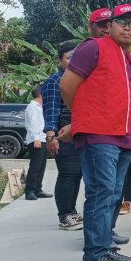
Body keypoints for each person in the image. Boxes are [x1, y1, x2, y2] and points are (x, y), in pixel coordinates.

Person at [60, 3, 131, 261]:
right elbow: (67, 86)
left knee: (113, 194)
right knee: (101, 192)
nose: (128, 27)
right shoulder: (93, 47)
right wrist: (81, 119)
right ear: (111, 25)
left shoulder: (126, 56)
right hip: (99, 134)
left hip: (124, 137)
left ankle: (104, 247)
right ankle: (94, 257)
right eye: (123, 22)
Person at [42, 40, 82, 230]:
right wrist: (51, 136)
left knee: (77, 174)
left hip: (79, 132)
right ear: (60, 61)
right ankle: (64, 215)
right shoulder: (54, 81)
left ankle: (72, 211)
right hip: (62, 132)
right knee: (68, 173)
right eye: (69, 57)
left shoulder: (78, 80)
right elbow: (50, 110)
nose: (73, 61)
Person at [24, 85, 52, 201]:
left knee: (41, 166)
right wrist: (36, 138)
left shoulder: (40, 107)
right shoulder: (33, 107)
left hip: (42, 138)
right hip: (36, 139)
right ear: (41, 94)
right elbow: (33, 124)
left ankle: (38, 189)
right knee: (35, 166)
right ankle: (29, 190)